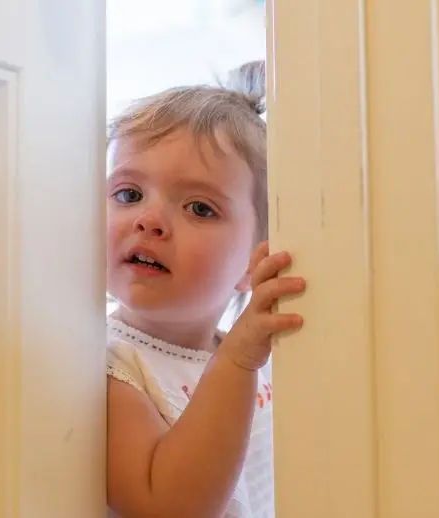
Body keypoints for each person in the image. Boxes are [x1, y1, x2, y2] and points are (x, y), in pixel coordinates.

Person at [105, 60, 306, 518]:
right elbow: (168, 506)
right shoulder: (110, 364)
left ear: (255, 257)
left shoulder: (256, 358)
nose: (148, 220)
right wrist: (237, 360)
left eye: (199, 207)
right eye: (129, 194)